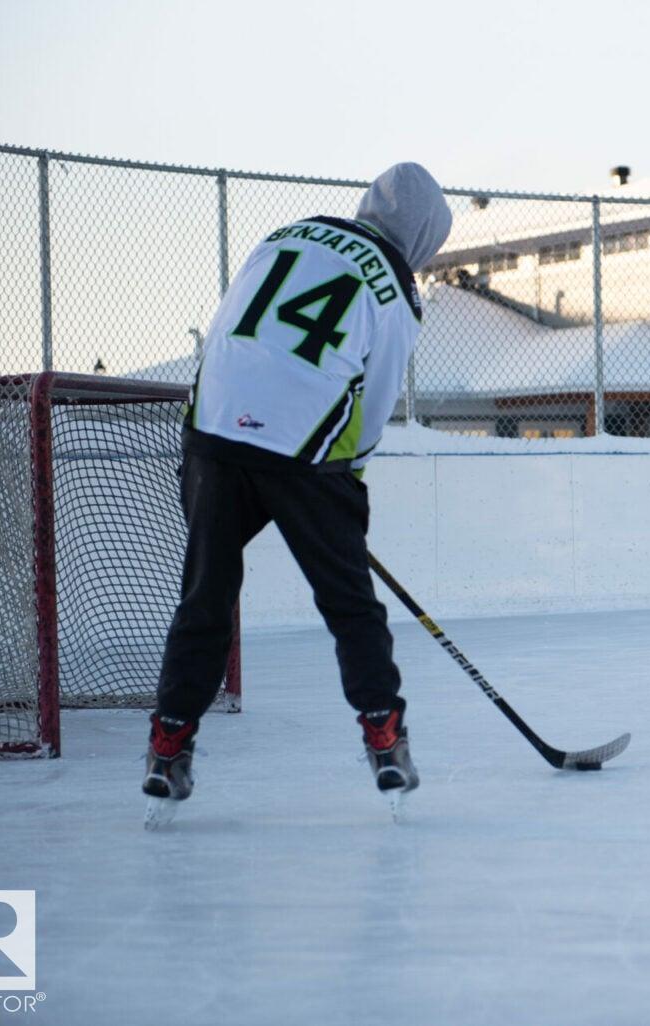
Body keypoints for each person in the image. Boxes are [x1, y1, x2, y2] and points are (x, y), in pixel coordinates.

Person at [142, 163, 453, 816]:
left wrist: (205, 447)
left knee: (206, 595)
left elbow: (227, 330)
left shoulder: (284, 236)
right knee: (350, 605)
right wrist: (344, 486)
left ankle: (168, 746)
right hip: (303, 444)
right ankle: (384, 736)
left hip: (213, 428)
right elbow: (375, 402)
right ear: (423, 239)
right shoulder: (394, 289)